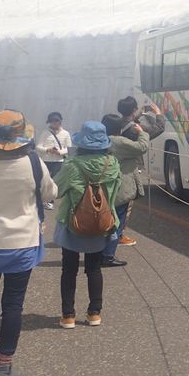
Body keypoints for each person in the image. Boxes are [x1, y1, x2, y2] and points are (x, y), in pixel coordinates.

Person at [0, 109, 57, 376]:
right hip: (20, 243)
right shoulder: (32, 161)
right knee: (12, 305)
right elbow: (49, 193)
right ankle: (3, 370)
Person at [53, 121, 121, 329]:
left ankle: (68, 316)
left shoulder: (72, 165)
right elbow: (115, 193)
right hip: (101, 222)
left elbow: (57, 189)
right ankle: (94, 313)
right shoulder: (112, 164)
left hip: (73, 223)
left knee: (69, 269)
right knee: (93, 269)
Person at [100, 114, 149, 267]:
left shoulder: (99, 140)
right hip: (119, 189)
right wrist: (142, 132)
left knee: (103, 220)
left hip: (103, 187)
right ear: (119, 127)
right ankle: (107, 256)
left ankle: (98, 252)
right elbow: (142, 147)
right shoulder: (118, 142)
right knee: (117, 222)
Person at [115, 97, 164, 248]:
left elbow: (128, 121)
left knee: (114, 200)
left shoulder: (115, 124)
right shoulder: (135, 129)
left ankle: (113, 232)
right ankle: (119, 234)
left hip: (114, 165)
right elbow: (157, 130)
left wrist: (138, 114)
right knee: (126, 202)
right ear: (134, 109)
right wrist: (159, 114)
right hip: (130, 167)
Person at [35, 112, 72, 210]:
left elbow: (69, 148)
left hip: (58, 161)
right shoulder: (45, 133)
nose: (54, 123)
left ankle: (50, 201)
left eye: (56, 121)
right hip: (46, 160)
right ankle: (41, 199)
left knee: (54, 181)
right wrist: (48, 149)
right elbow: (38, 146)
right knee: (43, 180)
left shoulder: (66, 134)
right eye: (52, 121)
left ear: (60, 121)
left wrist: (60, 152)